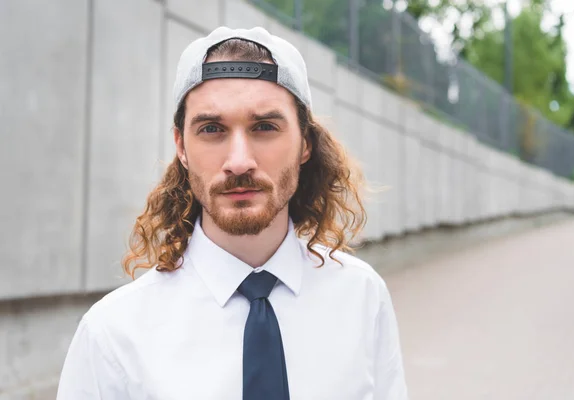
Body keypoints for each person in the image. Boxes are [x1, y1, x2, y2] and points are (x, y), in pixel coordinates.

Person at [57, 26, 409, 400]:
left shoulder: (362, 297)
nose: (239, 162)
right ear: (181, 146)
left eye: (264, 127)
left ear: (305, 142)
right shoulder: (113, 333)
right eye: (211, 128)